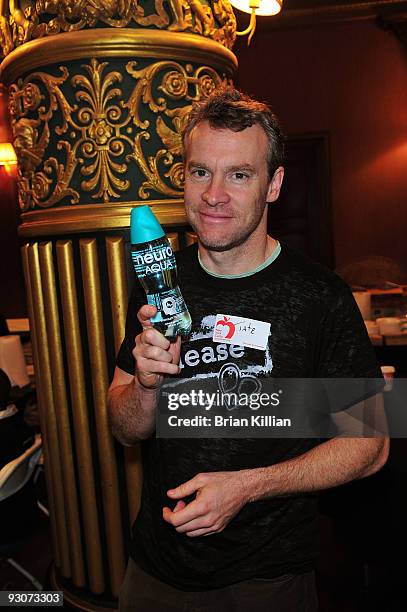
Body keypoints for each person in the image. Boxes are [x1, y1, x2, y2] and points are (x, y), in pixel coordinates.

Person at [108, 88, 389, 611]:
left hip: (267, 580)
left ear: (274, 184)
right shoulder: (159, 281)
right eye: (200, 172)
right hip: (153, 570)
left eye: (239, 174)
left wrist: (248, 487)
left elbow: (372, 444)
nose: (214, 194)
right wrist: (147, 385)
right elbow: (125, 428)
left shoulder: (319, 297)